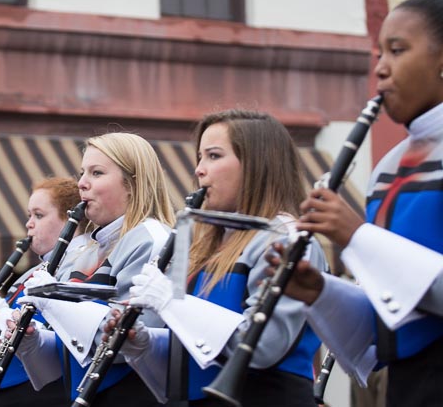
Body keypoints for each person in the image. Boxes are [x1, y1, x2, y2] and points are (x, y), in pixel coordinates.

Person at [266, 0, 443, 407]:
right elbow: (388, 322)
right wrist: (319, 293)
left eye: (397, 51)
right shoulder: (387, 168)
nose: (380, 69)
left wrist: (358, 235)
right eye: (378, 53)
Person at [108, 110, 329, 406]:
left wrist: (173, 303)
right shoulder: (206, 244)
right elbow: (191, 356)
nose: (199, 169)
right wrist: (144, 342)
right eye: (200, 157)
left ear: (256, 165)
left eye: (213, 156)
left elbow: (264, 345)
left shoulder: (286, 239)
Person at [10, 132, 176, 406]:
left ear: (133, 184)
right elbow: (72, 351)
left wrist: (57, 306)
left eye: (96, 173)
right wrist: (33, 342)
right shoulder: (89, 249)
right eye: (82, 173)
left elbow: (135, 342)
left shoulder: (151, 238)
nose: (82, 184)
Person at [0, 177, 88, 407]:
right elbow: (6, 361)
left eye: (39, 215)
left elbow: (54, 351)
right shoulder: (30, 274)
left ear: (69, 219)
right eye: (29, 215)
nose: (29, 224)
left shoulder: (81, 265)